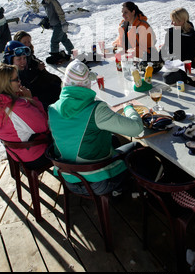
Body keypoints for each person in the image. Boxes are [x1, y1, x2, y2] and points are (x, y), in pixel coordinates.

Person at [48, 60, 143, 196]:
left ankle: (119, 190)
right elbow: (136, 128)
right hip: (96, 183)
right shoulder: (96, 110)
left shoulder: (52, 109)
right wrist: (129, 108)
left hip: (68, 179)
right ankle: (131, 190)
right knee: (136, 147)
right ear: (87, 84)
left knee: (113, 139)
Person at [0, 63, 49, 169]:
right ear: (5, 83)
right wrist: (31, 100)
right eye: (16, 79)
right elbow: (44, 125)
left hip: (17, 154)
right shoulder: (16, 107)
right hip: (36, 155)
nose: (20, 82)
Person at [3, 40, 61, 111]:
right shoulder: (7, 79)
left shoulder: (27, 67)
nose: (23, 61)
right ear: (10, 60)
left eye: (24, 58)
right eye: (19, 59)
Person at [159, 7, 195, 85]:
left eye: (174, 21)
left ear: (182, 21)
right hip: (172, 64)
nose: (172, 23)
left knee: (167, 78)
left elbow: (187, 58)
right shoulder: (172, 32)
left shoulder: (192, 37)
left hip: (184, 69)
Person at [41, 0, 74, 64]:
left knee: (54, 41)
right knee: (64, 39)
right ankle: (72, 52)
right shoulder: (46, 3)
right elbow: (50, 14)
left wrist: (63, 22)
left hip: (59, 24)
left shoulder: (53, 2)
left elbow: (60, 12)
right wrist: (48, 22)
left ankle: (55, 55)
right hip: (54, 24)